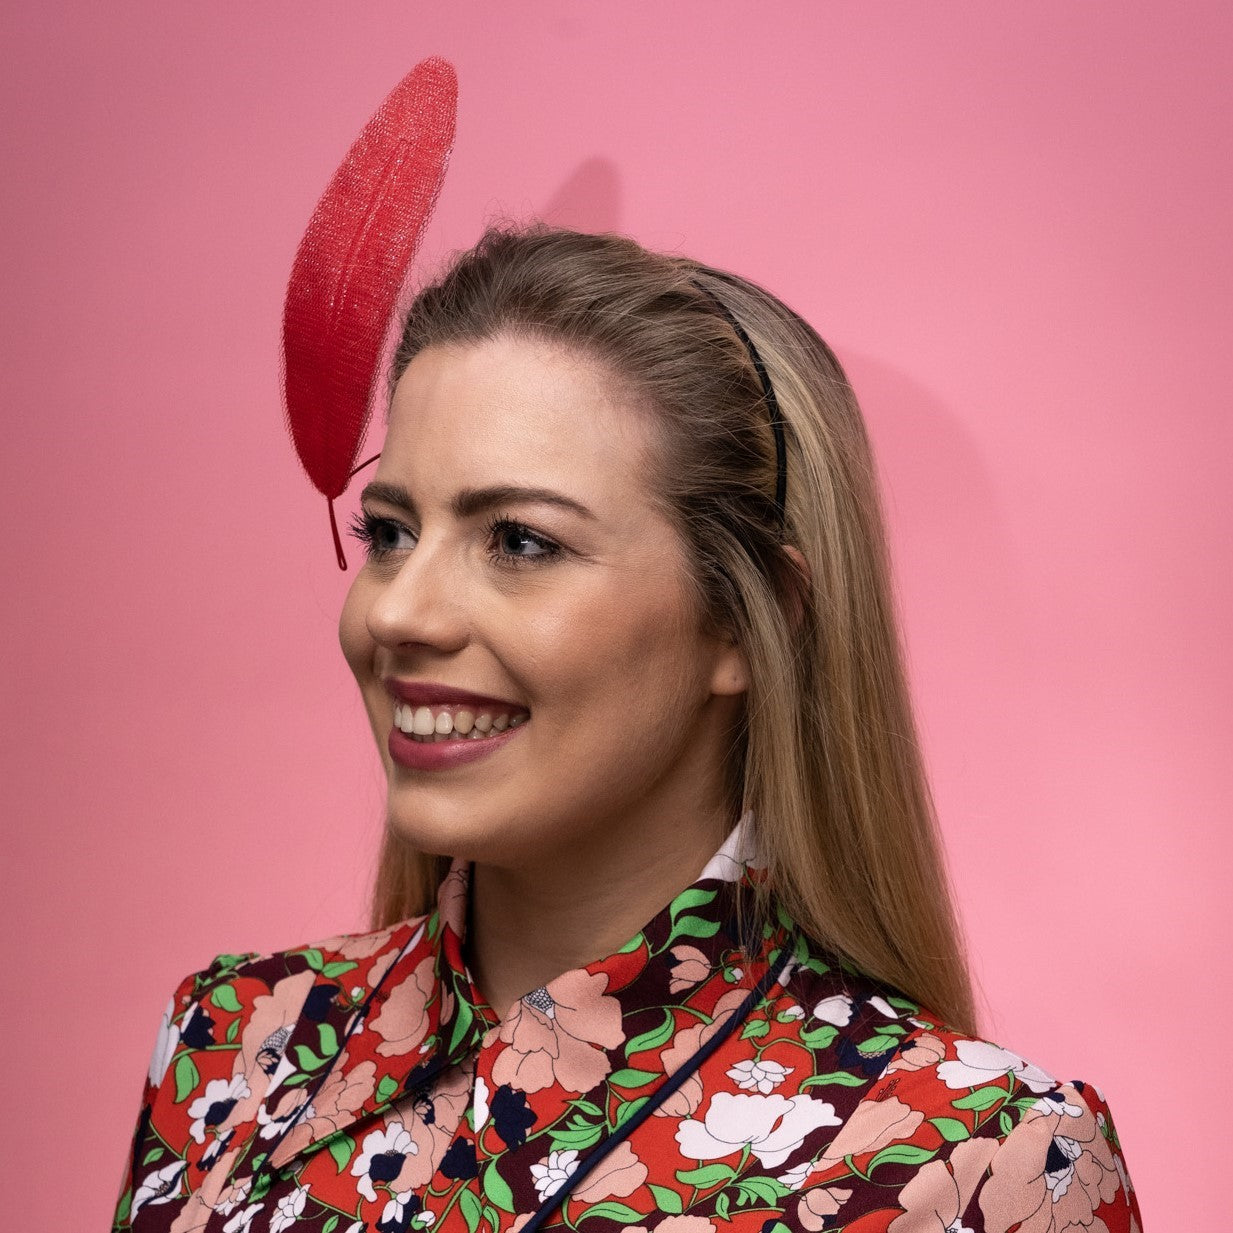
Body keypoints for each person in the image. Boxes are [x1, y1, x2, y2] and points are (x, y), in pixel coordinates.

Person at [111, 224, 1144, 1232]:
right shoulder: (239, 1046)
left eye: (519, 540)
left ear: (749, 618)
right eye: (390, 533)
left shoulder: (985, 1165)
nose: (394, 613)